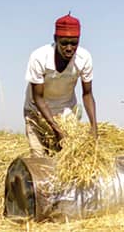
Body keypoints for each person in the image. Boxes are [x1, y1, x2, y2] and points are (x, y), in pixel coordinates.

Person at [23, 13, 98, 157]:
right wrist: (56, 129)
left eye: (74, 43)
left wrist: (94, 127)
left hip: (65, 114)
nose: (69, 48)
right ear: (55, 39)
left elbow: (87, 94)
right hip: (37, 113)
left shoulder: (84, 58)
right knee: (39, 160)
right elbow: (38, 97)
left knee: (68, 158)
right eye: (64, 43)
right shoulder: (39, 57)